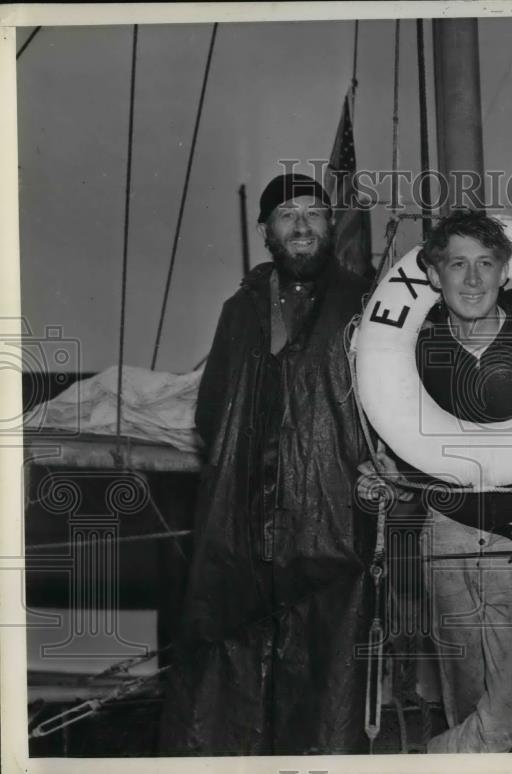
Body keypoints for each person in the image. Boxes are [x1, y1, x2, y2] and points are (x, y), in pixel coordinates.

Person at [358, 210, 512, 754]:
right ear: (435, 275)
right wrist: (390, 477)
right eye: (457, 264)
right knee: (464, 702)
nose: (472, 280)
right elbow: (401, 438)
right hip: (447, 534)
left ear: (505, 272)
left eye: (485, 264)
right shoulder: (413, 350)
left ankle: (423, 763)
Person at [158, 173, 371, 755]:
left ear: (331, 225)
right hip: (241, 519)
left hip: (330, 516)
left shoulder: (366, 304)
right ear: (265, 229)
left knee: (326, 659)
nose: (301, 226)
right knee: (230, 648)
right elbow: (212, 412)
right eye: (287, 215)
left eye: (314, 213)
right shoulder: (239, 309)